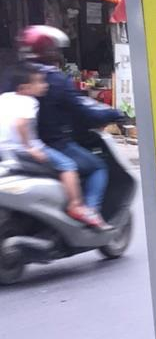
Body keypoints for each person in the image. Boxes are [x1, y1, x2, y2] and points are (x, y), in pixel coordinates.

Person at [19, 24, 120, 227]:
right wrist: (114, 114)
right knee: (97, 167)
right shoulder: (55, 79)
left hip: (16, 146)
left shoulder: (15, 75)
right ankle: (89, 211)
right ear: (49, 50)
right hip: (53, 144)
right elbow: (82, 111)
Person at [0, 58, 105, 227]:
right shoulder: (29, 101)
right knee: (68, 165)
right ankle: (76, 205)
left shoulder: (5, 98)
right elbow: (20, 123)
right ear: (24, 88)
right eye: (39, 82)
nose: (45, 85)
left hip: (5, 150)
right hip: (25, 149)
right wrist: (29, 147)